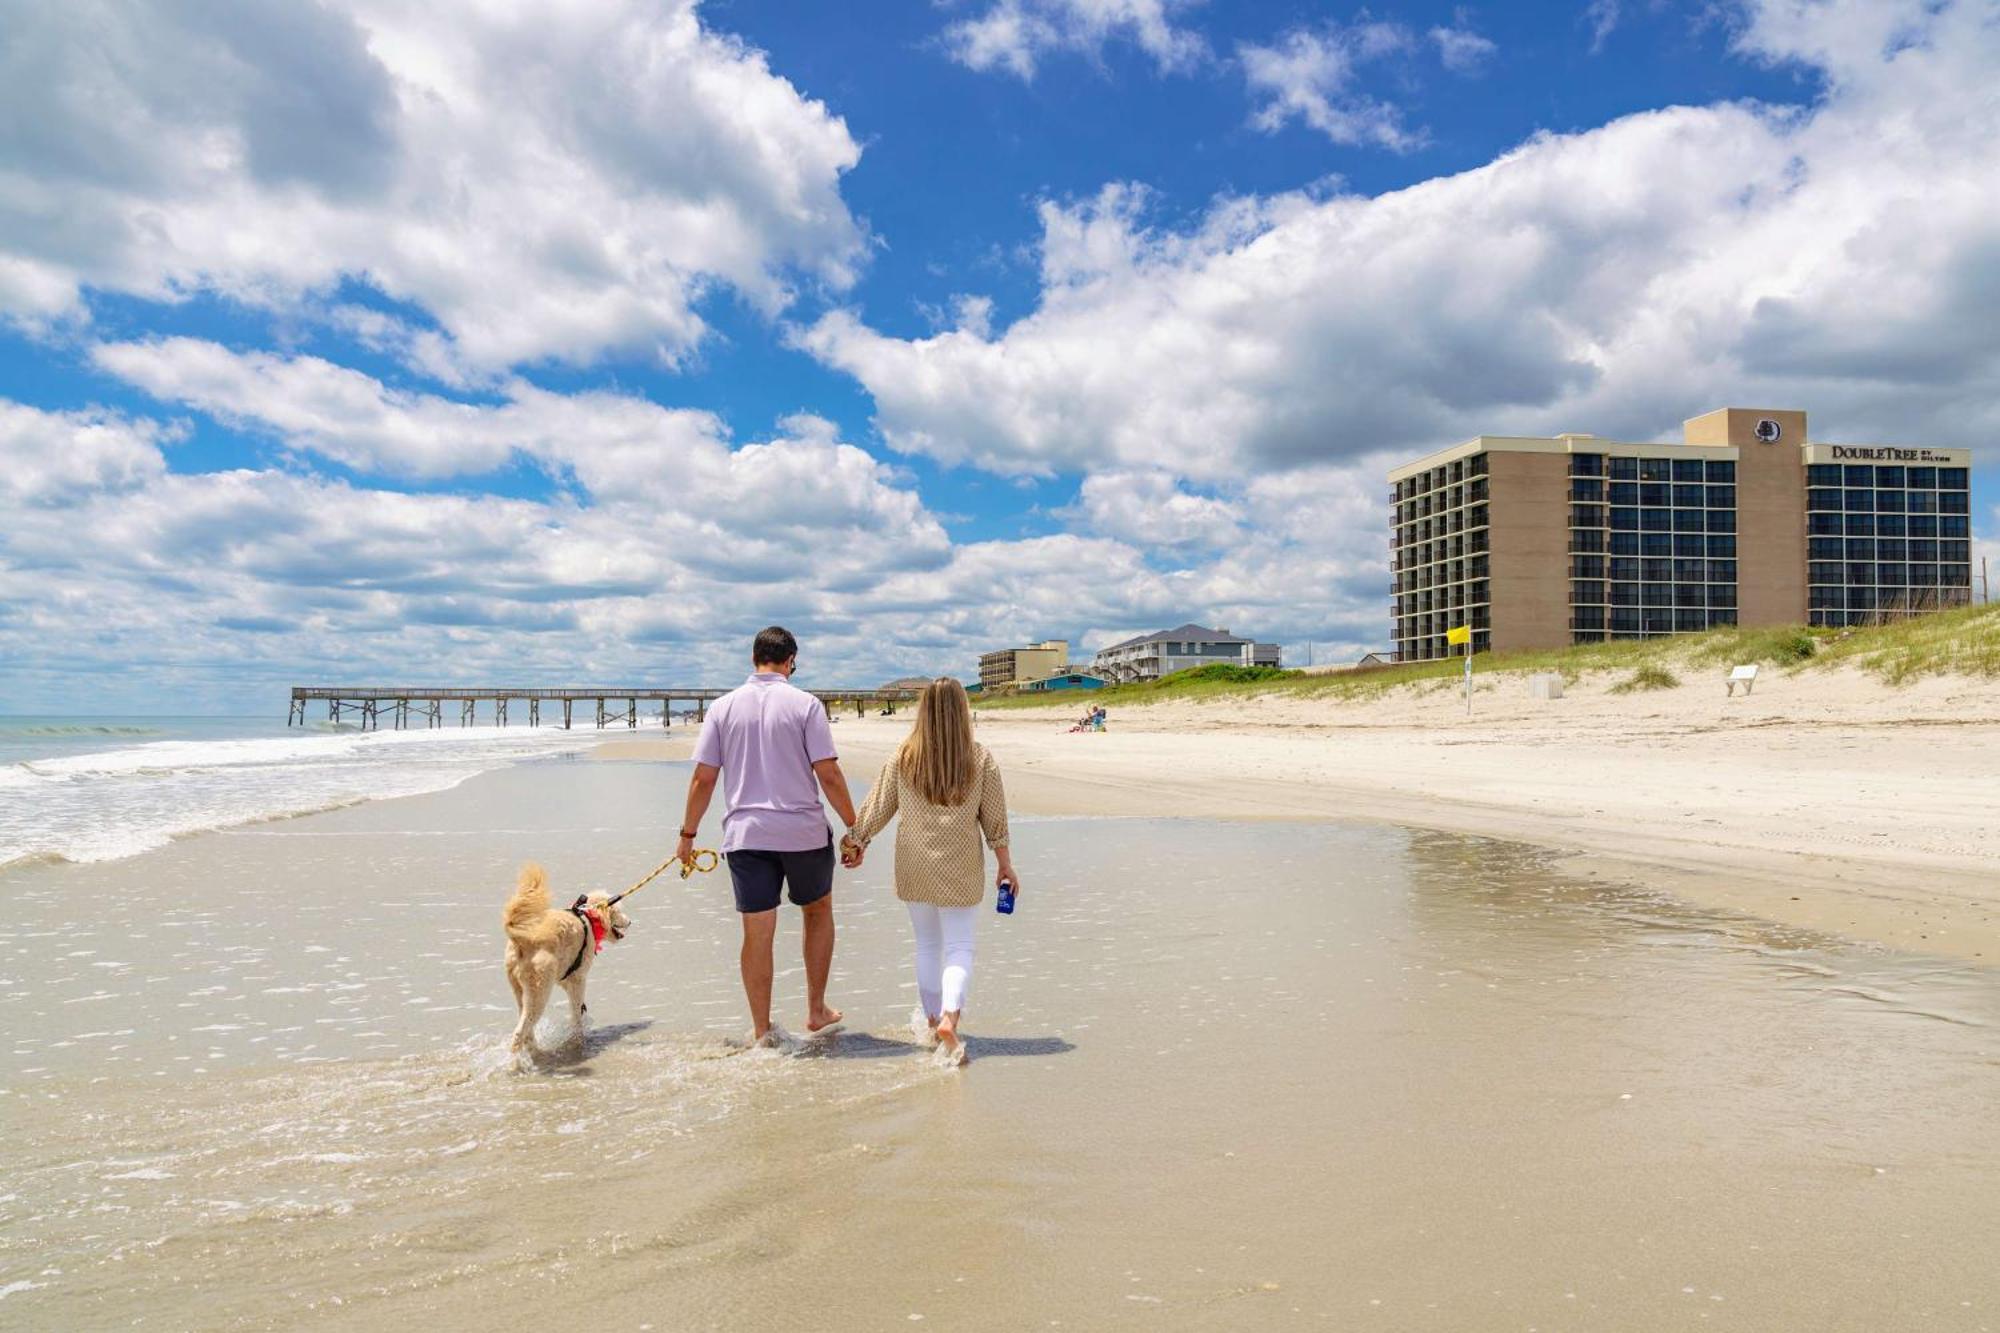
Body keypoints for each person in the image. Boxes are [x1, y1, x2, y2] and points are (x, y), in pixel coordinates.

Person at [678, 626, 858, 1045]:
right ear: (791, 660)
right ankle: (816, 1008)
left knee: (757, 931)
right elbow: (827, 772)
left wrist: (687, 835)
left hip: (746, 836)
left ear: (753, 659)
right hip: (802, 834)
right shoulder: (806, 705)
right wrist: (855, 826)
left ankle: (761, 1029)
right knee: (817, 912)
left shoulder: (722, 708)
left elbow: (703, 779)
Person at [843, 677, 1016, 1065]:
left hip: (913, 861)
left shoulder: (904, 756)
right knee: (960, 946)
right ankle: (949, 1020)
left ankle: (933, 1018)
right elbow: (995, 819)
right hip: (961, 863)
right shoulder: (980, 758)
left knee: (927, 945)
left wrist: (856, 841)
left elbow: (878, 806)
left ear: (924, 711)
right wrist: (1005, 863)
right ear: (961, 711)